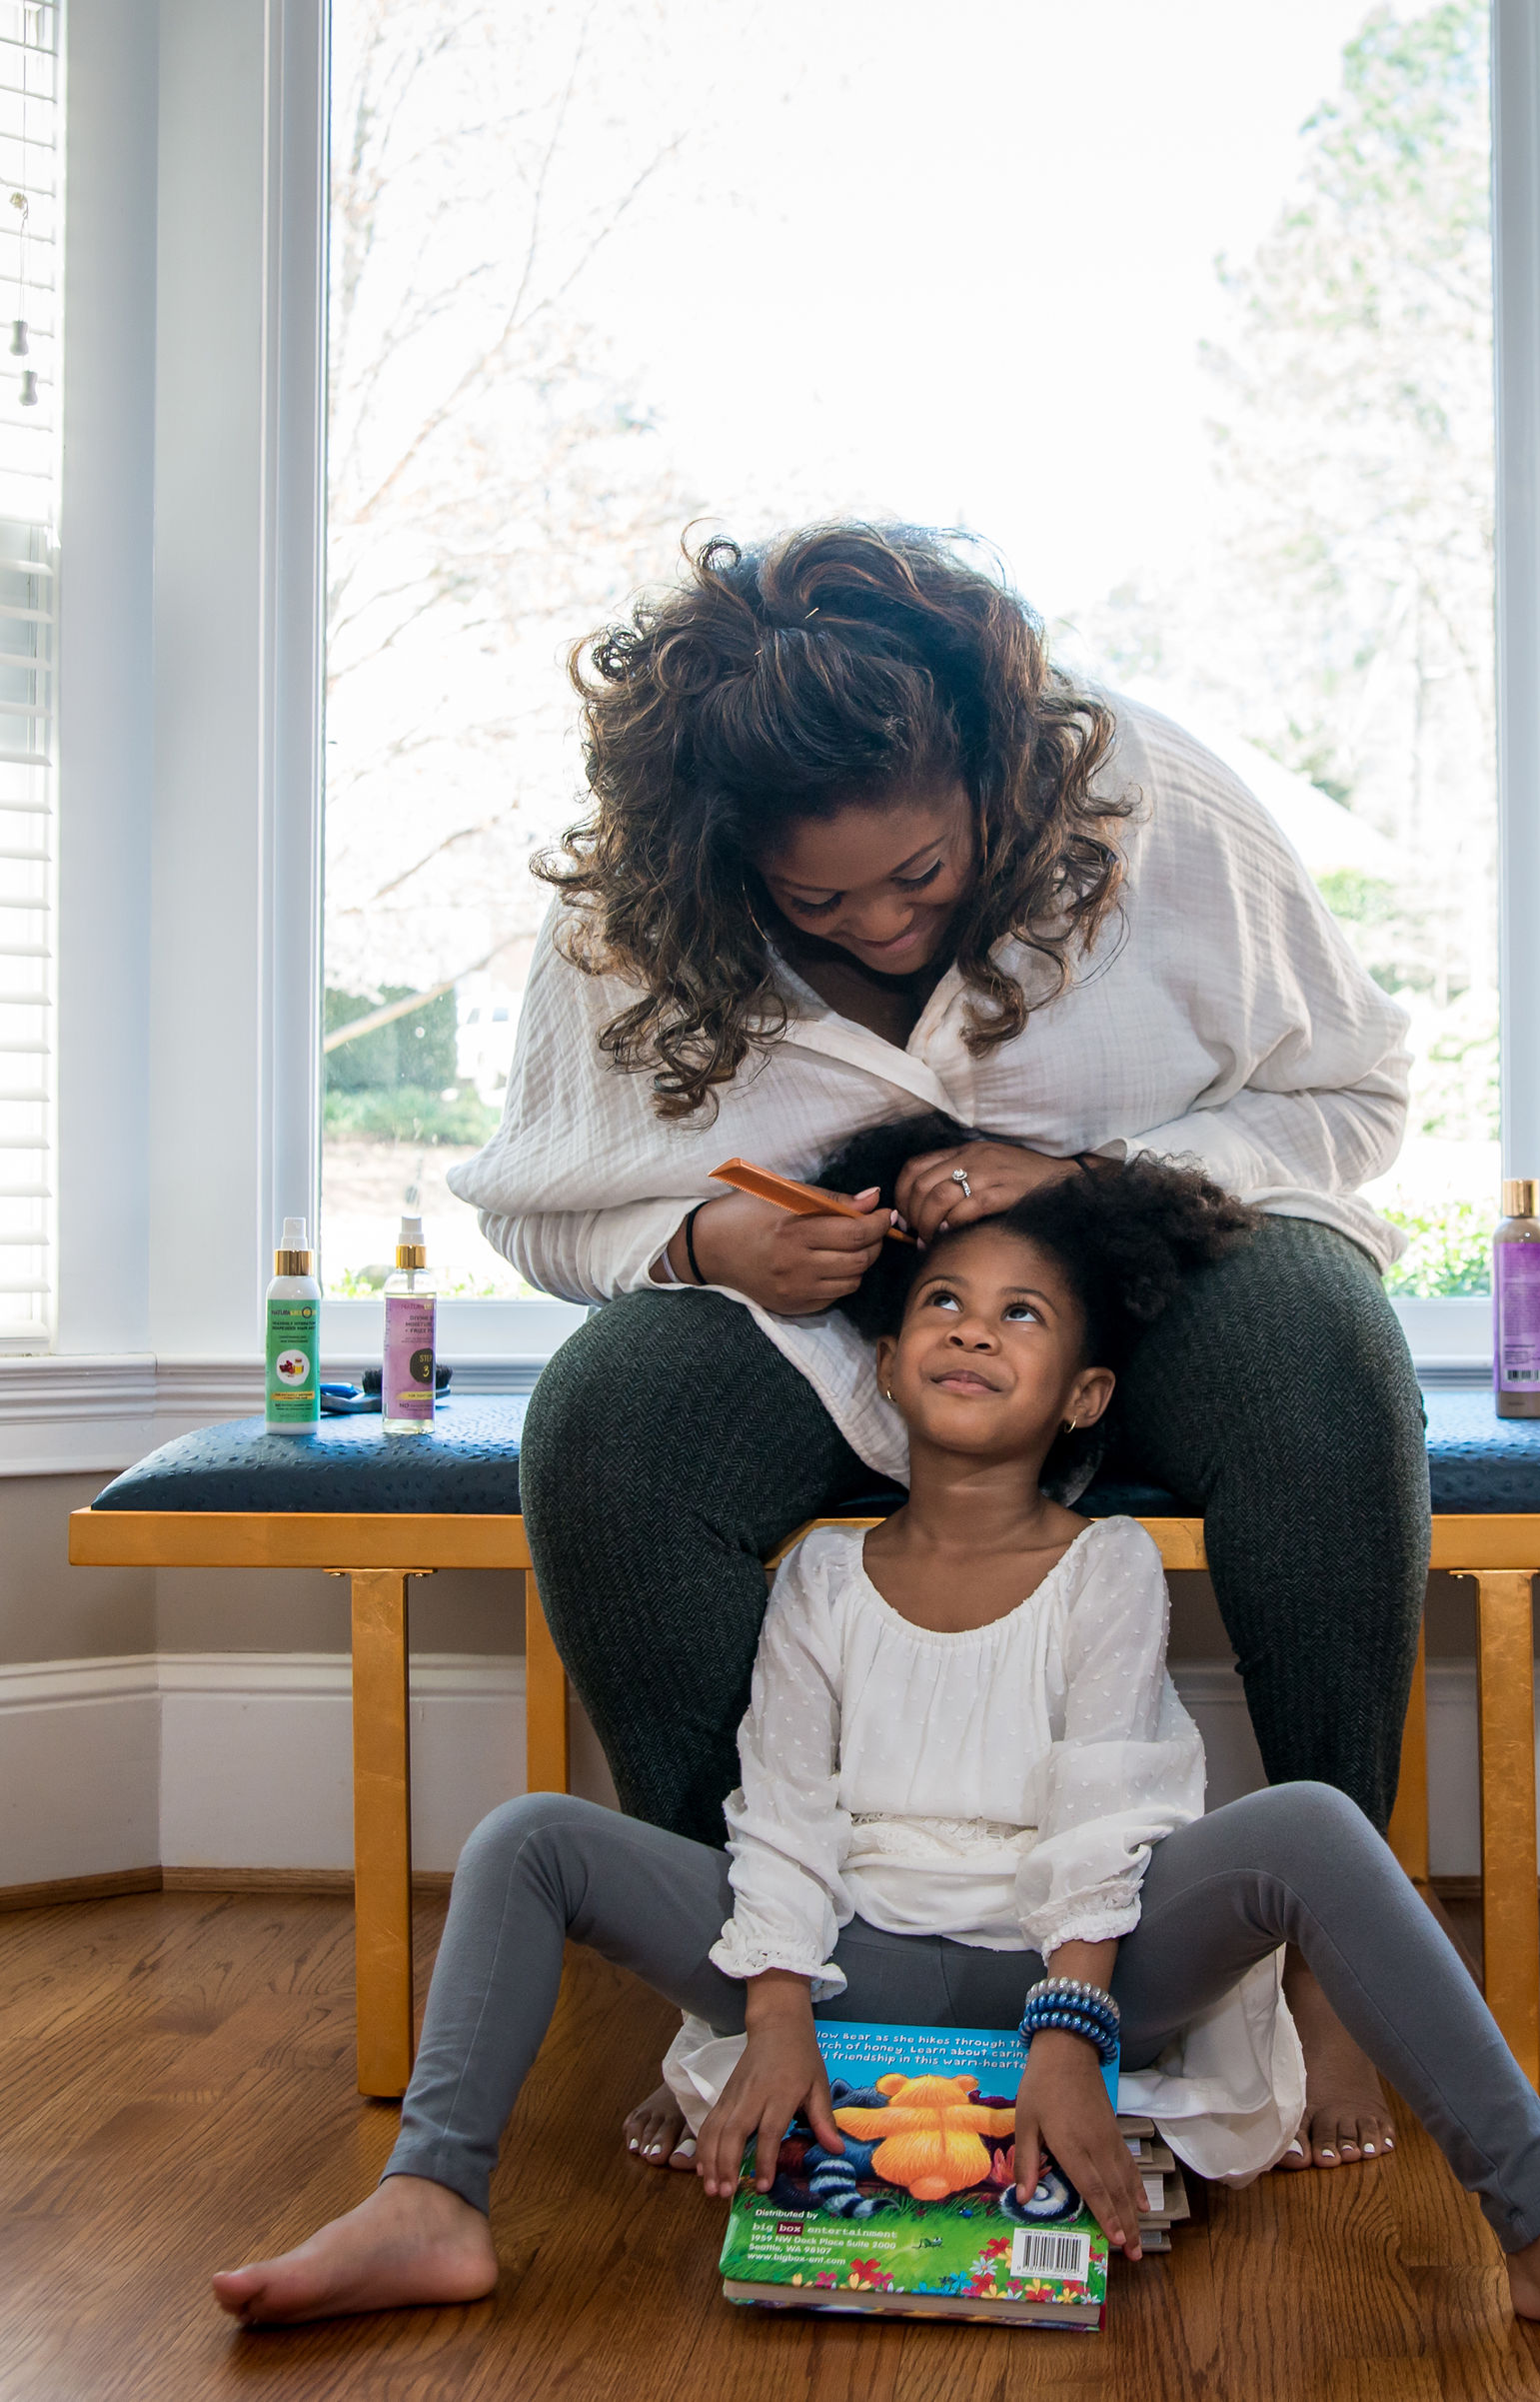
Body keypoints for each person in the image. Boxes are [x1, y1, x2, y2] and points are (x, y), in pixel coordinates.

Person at [210, 1149, 1540, 2376]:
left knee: (1307, 1825)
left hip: (1063, 1970)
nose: (974, 1328)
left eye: (1023, 1315)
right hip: (847, 1970)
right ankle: (429, 2197)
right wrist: (766, 2014)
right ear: (884, 1366)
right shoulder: (818, 1580)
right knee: (528, 1838)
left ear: (1084, 1396)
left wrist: (1074, 2033)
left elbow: (1108, 1809)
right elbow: (783, 1811)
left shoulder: (1103, 1573)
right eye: (946, 1305)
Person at [451, 522, 1430, 2168]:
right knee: (605, 1424)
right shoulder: (626, 925)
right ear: (714, 857)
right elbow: (537, 1205)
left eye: (925, 873)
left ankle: (1338, 1971)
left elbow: (1354, 1101)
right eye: (816, 898)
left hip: (1159, 1297)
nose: (889, 929)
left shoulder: (1154, 805)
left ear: (1003, 782)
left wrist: (1105, 1180)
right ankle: (739, 2006)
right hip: (839, 1346)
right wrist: (704, 1244)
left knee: (1326, 1351)